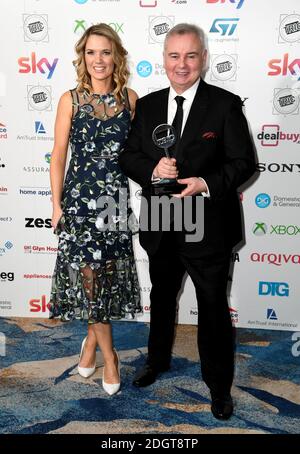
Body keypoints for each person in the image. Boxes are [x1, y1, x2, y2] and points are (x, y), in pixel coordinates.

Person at [119, 23, 256, 419]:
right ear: (163, 60)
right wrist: (152, 169)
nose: (182, 64)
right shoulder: (146, 106)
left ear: (204, 59)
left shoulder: (225, 104)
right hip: (161, 219)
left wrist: (205, 182)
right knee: (161, 298)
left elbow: (243, 162)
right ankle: (157, 361)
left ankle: (218, 387)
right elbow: (128, 156)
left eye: (190, 55)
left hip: (207, 224)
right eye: (174, 56)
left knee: (212, 307)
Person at [49, 23, 141, 396]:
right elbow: (58, 156)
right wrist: (56, 205)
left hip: (114, 203)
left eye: (105, 52)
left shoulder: (131, 100)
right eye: (90, 52)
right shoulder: (70, 99)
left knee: (103, 277)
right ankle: (110, 355)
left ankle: (89, 344)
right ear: (82, 57)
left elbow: (139, 155)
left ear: (115, 56)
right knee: (89, 278)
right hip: (78, 202)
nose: (98, 60)